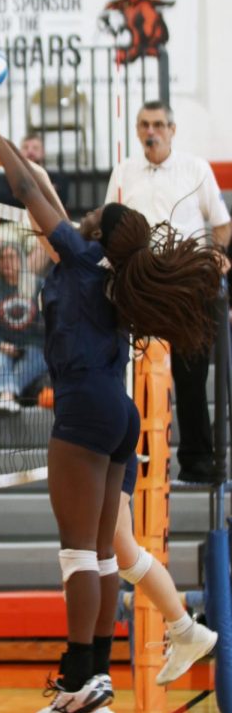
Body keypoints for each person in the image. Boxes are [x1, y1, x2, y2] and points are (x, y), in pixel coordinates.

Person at [0, 100, 221, 713]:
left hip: (85, 412)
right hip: (116, 414)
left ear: (100, 235)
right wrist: (12, 156)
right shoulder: (105, 265)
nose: (83, 216)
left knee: (79, 554)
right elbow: (42, 193)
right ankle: (93, 681)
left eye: (93, 218)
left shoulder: (81, 259)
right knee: (104, 554)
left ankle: (82, 684)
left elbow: (31, 192)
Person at [105, 100, 231, 484]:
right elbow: (109, 224)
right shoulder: (124, 171)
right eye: (144, 124)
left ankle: (196, 462)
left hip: (189, 288)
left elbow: (222, 225)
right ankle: (141, 461)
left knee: (192, 378)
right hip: (142, 289)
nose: (150, 131)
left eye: (158, 124)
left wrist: (219, 258)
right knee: (141, 375)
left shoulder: (196, 168)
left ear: (172, 130)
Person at [113, 453, 217, 685]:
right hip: (110, 445)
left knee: (97, 555)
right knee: (121, 557)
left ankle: (88, 676)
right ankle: (185, 630)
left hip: (103, 446)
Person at [0, 241, 46, 417]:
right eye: (2, 258)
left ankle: (0, 396)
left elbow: (46, 327)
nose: (6, 262)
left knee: (31, 359)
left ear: (21, 259)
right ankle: (8, 398)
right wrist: (1, 345)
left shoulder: (38, 285)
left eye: (11, 257)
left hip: (34, 349)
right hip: (3, 347)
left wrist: (23, 347)